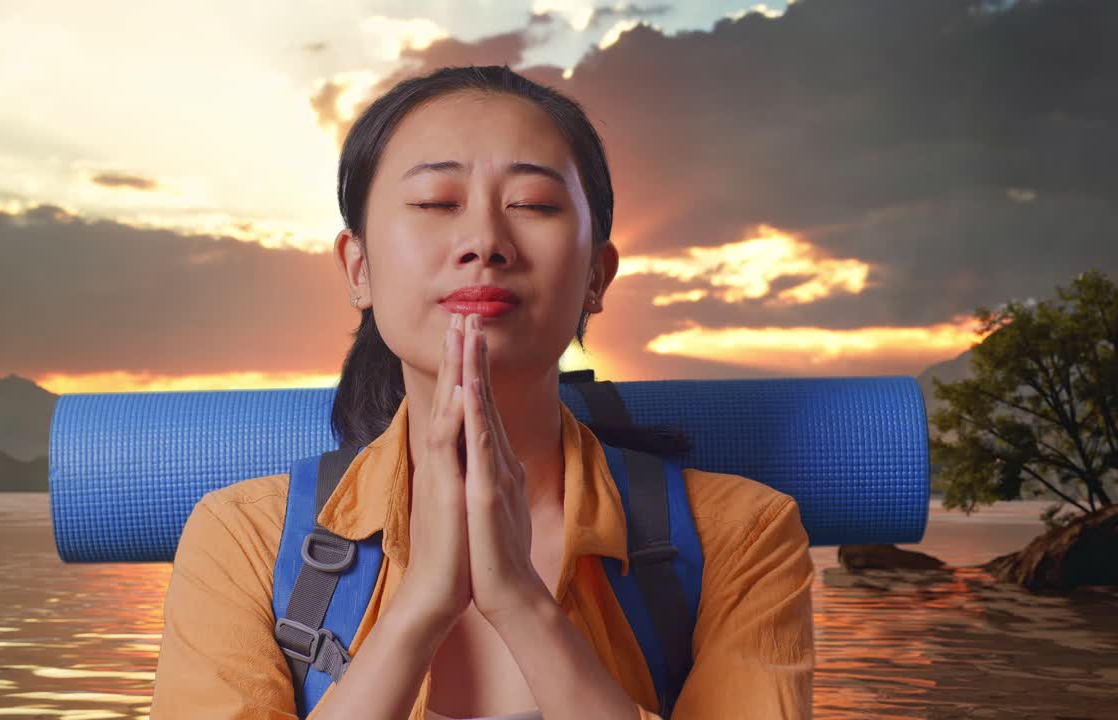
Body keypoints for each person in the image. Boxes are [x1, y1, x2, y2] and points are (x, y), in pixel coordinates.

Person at [151, 64, 814, 720]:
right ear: (360, 269)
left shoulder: (743, 533)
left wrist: (521, 605)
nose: (484, 242)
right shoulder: (242, 537)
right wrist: (420, 609)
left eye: (533, 205)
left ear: (596, 276)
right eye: (437, 203)